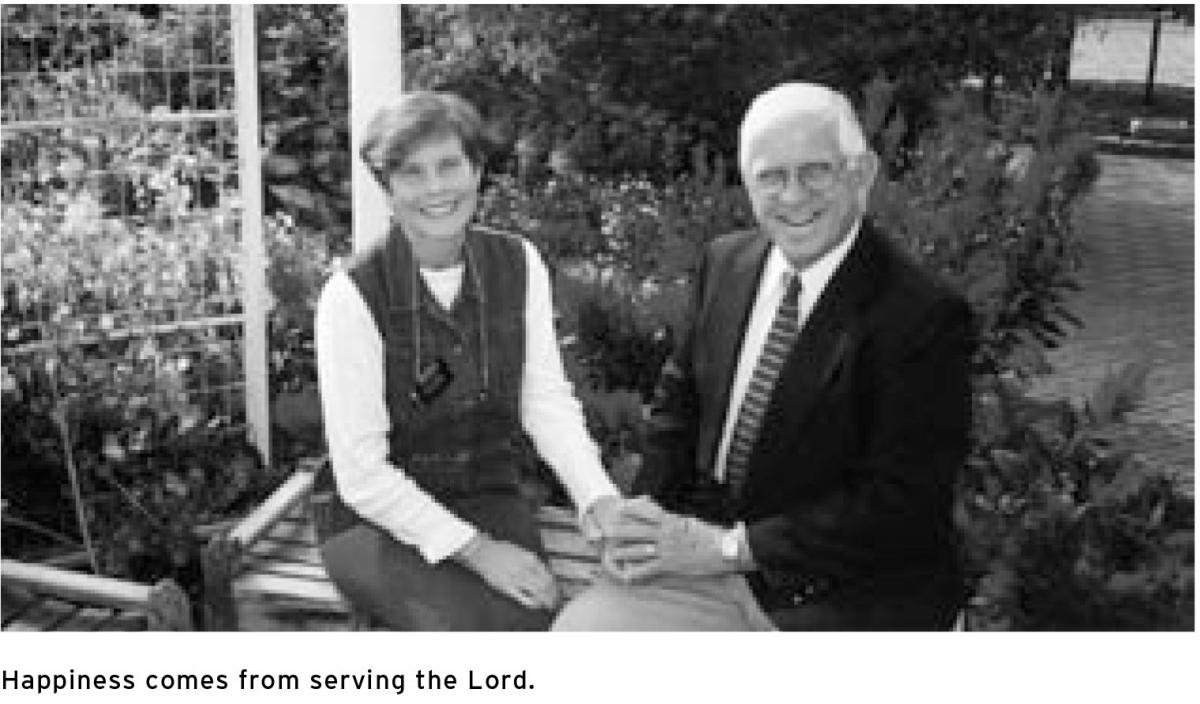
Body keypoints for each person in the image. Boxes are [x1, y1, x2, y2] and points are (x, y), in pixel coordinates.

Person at [554, 82, 972, 631]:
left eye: (816, 171)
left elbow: (900, 504)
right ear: (747, 184)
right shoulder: (726, 264)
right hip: (703, 553)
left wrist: (733, 549)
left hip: (841, 589)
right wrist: (644, 522)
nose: (793, 196)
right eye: (771, 176)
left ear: (861, 175)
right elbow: (678, 412)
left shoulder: (922, 316)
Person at [314, 91, 622, 630]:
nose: (435, 188)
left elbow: (544, 400)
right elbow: (362, 475)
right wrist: (480, 552)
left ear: (478, 170)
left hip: (488, 496)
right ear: (387, 189)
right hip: (374, 521)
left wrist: (598, 499)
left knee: (537, 620)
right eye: (411, 174)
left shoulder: (518, 263)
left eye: (449, 165)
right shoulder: (352, 295)